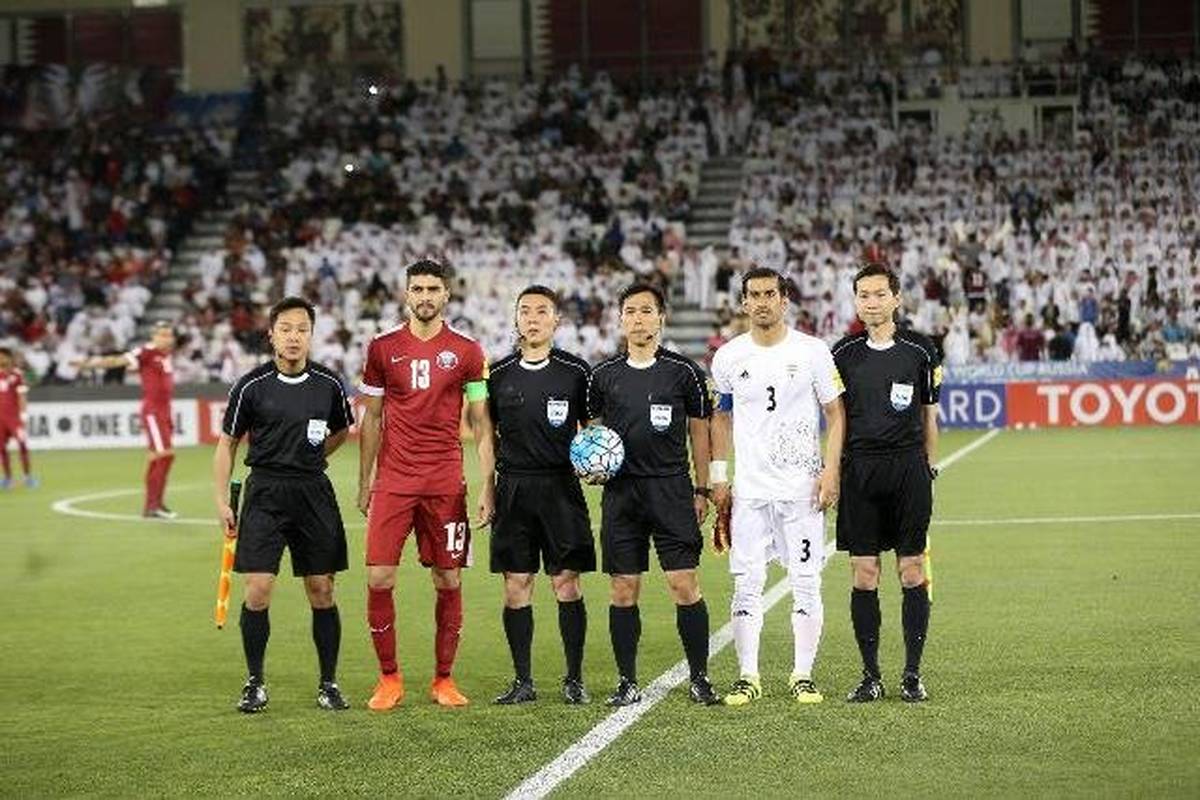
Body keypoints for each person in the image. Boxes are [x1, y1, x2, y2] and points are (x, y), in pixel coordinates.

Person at [358, 259, 496, 710]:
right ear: (406, 294)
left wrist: (487, 482)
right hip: (394, 481)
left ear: (446, 295)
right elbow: (372, 418)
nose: (424, 296)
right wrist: (365, 481)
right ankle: (389, 678)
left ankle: (444, 679)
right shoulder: (381, 349)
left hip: (445, 482)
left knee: (448, 578)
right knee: (379, 577)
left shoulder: (468, 352)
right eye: (417, 289)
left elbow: (480, 421)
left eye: (432, 289)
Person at [709, 267, 845, 706]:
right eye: (754, 294)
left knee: (806, 581)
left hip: (801, 491)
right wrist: (718, 477)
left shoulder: (813, 351)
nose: (762, 301)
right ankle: (748, 676)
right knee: (746, 583)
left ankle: (802, 675)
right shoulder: (728, 357)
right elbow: (720, 417)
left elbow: (836, 414)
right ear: (744, 302)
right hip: (750, 492)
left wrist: (830, 470)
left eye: (770, 293)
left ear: (784, 300)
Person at [212, 296, 355, 713]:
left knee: (322, 589)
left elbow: (341, 431)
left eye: (302, 329)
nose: (294, 337)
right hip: (265, 493)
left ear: (312, 335)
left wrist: (313, 457)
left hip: (313, 492)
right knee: (257, 590)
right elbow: (227, 444)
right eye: (286, 329)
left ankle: (328, 683)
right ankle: (255, 682)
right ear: (271, 335)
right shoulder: (250, 386)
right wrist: (221, 501)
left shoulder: (328, 384)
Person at [586, 282, 720, 707]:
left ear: (661, 318)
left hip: (671, 489)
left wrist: (702, 487)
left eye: (646, 311)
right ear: (620, 319)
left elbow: (700, 434)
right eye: (630, 311)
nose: (638, 319)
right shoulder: (603, 376)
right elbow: (589, 433)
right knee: (623, 588)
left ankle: (700, 678)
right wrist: (589, 464)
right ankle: (627, 681)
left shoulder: (684, 372)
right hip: (621, 493)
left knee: (684, 584)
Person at [831, 262, 941, 703]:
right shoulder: (842, 353)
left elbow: (929, 415)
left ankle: (912, 674)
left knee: (911, 570)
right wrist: (833, 471)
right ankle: (870, 676)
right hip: (860, 470)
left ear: (896, 298)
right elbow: (836, 419)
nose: (871, 302)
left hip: (908, 469)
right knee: (864, 574)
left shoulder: (921, 349)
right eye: (864, 295)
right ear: (856, 301)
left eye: (880, 294)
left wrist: (930, 466)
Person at [486, 285, 595, 705]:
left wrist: (593, 463)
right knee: (516, 583)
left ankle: (574, 679)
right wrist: (487, 487)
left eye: (542, 311)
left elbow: (592, 431)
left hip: (560, 486)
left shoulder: (576, 371)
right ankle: (523, 681)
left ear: (556, 320)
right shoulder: (497, 373)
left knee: (566, 582)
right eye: (525, 311)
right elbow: (486, 435)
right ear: (516, 318)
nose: (533, 318)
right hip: (512, 487)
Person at [76, 322, 178, 518]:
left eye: (169, 335)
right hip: (154, 412)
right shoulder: (146, 351)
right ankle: (152, 506)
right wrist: (89, 364)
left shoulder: (165, 355)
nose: (167, 339)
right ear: (154, 336)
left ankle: (154, 504)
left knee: (159, 457)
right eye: (163, 335)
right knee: (164, 455)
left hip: (165, 411)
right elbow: (118, 361)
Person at [0, 348, 35, 489]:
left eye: (3, 356)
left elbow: (22, 395)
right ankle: (8, 478)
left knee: (22, 444)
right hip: (0, 419)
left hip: (14, 418)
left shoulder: (17, 375)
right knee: (1, 448)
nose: (1, 359)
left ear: (9, 358)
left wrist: (23, 414)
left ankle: (28, 476)